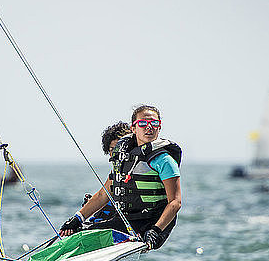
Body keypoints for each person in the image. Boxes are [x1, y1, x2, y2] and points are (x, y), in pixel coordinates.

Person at [60, 105, 182, 250]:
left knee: (86, 243)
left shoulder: (164, 160)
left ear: (159, 127)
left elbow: (175, 202)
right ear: (133, 128)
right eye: (142, 123)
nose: (149, 127)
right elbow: (103, 195)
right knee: (75, 237)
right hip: (126, 219)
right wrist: (77, 218)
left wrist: (156, 230)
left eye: (154, 124)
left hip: (150, 224)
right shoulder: (124, 156)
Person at [83, 121, 130, 223]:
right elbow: (102, 195)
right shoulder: (116, 170)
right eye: (112, 149)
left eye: (119, 148)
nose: (116, 153)